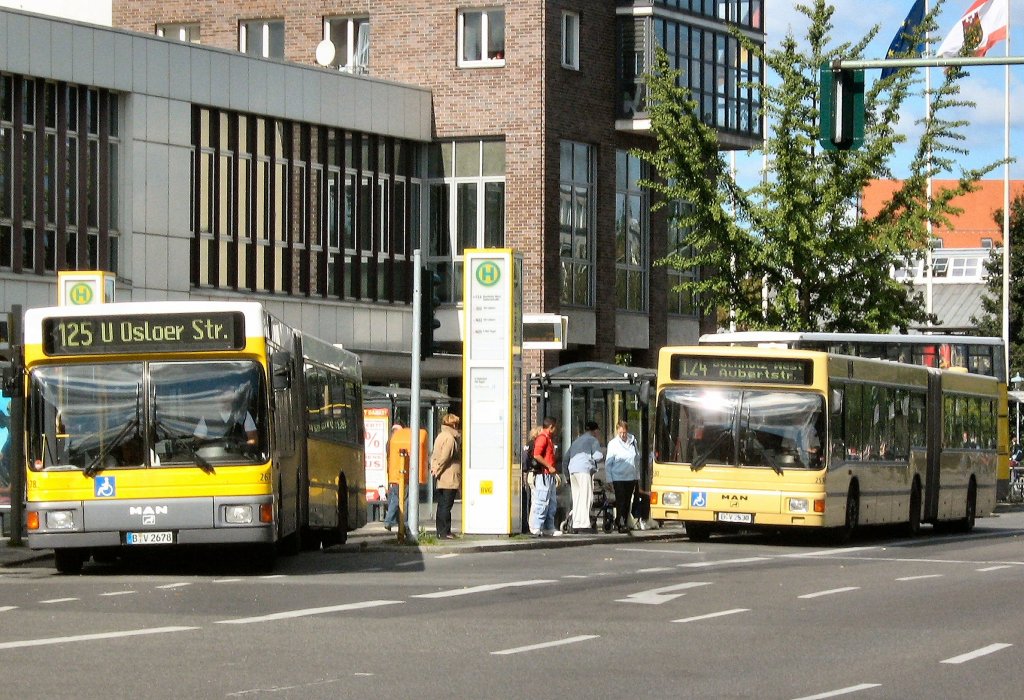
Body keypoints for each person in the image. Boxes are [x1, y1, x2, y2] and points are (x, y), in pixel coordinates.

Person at [564, 420, 603, 534]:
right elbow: (597, 456)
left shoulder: (576, 441)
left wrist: (567, 475)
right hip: (584, 470)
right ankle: (584, 524)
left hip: (572, 471)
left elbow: (566, 458)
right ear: (595, 431)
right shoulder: (593, 440)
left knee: (577, 498)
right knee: (586, 497)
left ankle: (576, 523)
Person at [430, 413, 461, 539]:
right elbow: (445, 457)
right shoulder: (449, 438)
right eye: (456, 424)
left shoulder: (440, 436)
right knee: (446, 505)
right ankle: (444, 531)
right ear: (453, 424)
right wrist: (438, 469)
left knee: (442, 504)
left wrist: (434, 468)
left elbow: (435, 455)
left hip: (442, 477)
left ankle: (442, 531)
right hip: (449, 476)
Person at [606, 420, 639, 533]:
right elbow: (608, 463)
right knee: (621, 501)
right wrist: (609, 479)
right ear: (617, 432)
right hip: (618, 477)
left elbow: (636, 459)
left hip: (630, 477)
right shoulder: (613, 444)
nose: (622, 435)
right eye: (620, 432)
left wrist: (637, 477)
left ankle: (623, 520)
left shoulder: (633, 441)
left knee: (627, 501)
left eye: (624, 432)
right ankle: (620, 523)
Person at [529, 416, 560, 537]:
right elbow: (537, 455)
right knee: (541, 500)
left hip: (549, 475)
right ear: (551, 427)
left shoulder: (549, 438)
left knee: (551, 502)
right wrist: (549, 466)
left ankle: (548, 526)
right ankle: (536, 526)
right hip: (543, 474)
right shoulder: (543, 438)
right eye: (555, 427)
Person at [383, 423, 403, 532]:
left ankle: (392, 521)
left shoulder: (390, 442)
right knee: (396, 498)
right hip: (397, 474)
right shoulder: (395, 442)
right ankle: (390, 520)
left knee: (394, 497)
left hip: (392, 474)